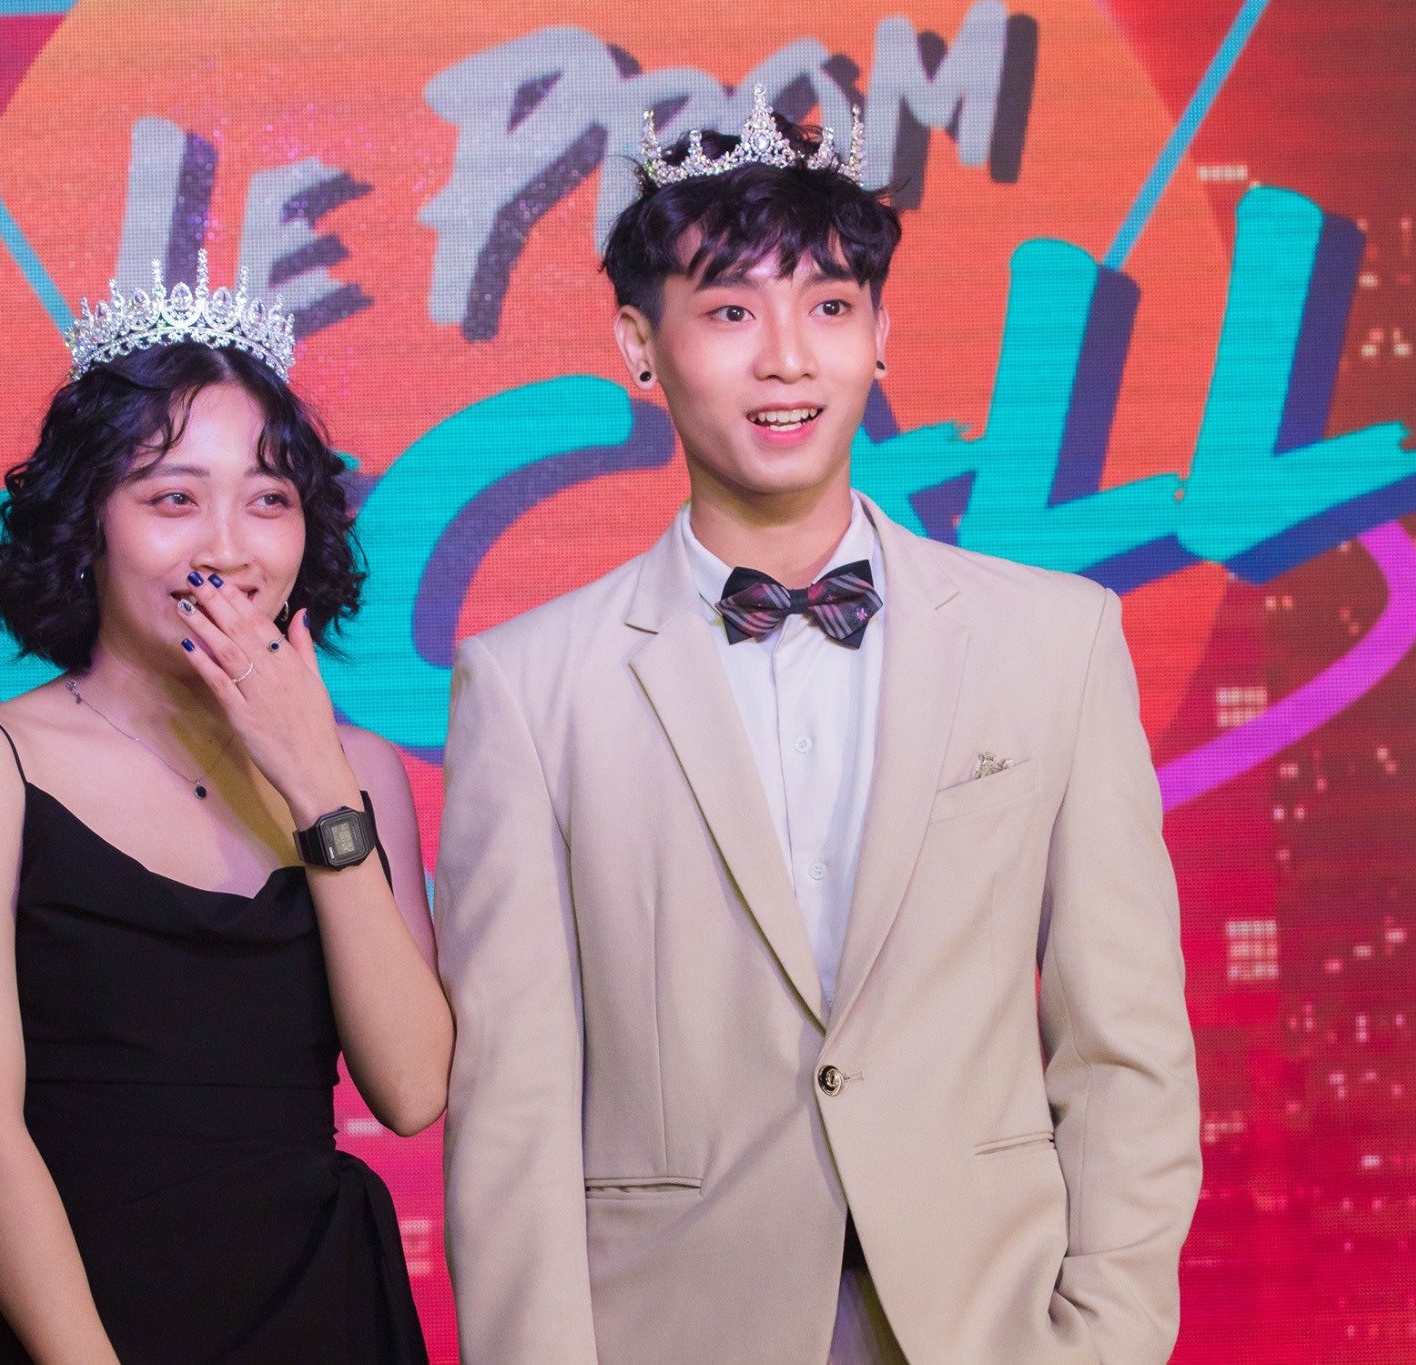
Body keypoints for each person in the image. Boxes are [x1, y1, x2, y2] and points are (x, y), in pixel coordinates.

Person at [435, 88, 1201, 1364]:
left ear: (880, 337)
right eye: (730, 311)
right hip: (674, 1325)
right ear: (638, 344)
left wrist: (1106, 1338)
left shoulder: (1052, 641)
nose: (786, 357)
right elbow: (511, 1104)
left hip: (988, 1322)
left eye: (828, 308)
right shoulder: (529, 683)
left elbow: (1125, 1045)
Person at [0, 253, 446, 1362]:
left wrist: (313, 784)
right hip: (82, 1319)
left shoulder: (356, 771)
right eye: (172, 499)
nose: (228, 550)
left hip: (323, 1307)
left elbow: (411, 1085)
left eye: (269, 501)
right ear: (87, 523)